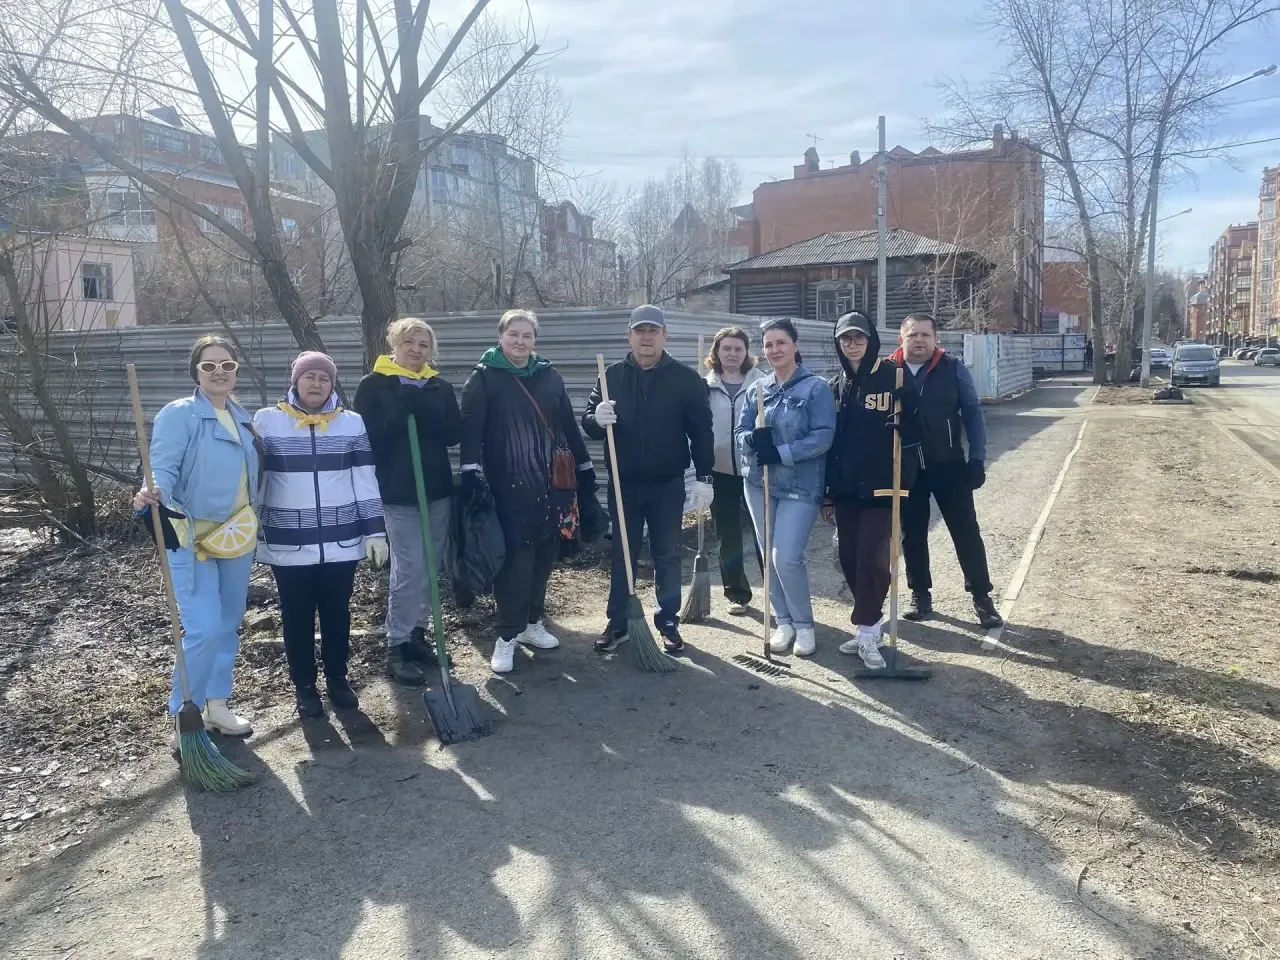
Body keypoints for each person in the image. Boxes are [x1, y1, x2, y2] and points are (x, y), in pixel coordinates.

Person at [133, 335, 260, 737]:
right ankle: (184, 715)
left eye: (227, 364)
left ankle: (218, 706)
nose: (219, 371)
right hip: (191, 540)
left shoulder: (243, 418)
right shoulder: (180, 414)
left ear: (236, 370)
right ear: (196, 372)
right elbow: (162, 467)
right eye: (209, 365)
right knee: (203, 628)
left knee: (227, 624)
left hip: (237, 537)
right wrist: (152, 491)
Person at [461, 309, 596, 674]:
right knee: (516, 564)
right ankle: (506, 636)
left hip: (555, 485)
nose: (520, 341)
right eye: (514, 334)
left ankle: (532, 624)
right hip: (510, 486)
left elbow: (567, 424)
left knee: (545, 556)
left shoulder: (549, 375)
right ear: (501, 336)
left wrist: (584, 466)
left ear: (535, 340)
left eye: (527, 335)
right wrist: (469, 470)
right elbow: (472, 429)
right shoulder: (484, 377)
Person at [254, 352, 389, 717]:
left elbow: (365, 479)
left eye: (324, 378)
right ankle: (304, 687)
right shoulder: (267, 421)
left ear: (332, 384)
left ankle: (337, 678)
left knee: (336, 613)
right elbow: (255, 481)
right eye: (309, 377)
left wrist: (374, 531)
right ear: (295, 380)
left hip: (340, 539)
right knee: (295, 616)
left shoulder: (351, 423)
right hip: (287, 541)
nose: (316, 384)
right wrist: (250, 529)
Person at [583, 304, 715, 654]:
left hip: (667, 484)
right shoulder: (610, 376)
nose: (646, 337)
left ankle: (667, 620)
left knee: (666, 554)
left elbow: (702, 431)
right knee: (622, 554)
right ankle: (619, 622)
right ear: (629, 336)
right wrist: (596, 418)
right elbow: (589, 424)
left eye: (653, 331)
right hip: (623, 483)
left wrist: (704, 476)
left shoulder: (685, 379)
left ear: (664, 336)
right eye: (640, 331)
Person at [354, 318, 461, 687]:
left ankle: (418, 634)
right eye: (409, 343)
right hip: (398, 491)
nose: (416, 350)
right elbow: (364, 438)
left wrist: (425, 408)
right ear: (394, 345)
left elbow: (453, 434)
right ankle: (396, 644)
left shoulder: (439, 387)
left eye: (423, 345)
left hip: (436, 490)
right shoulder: (374, 384)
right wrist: (397, 415)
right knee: (410, 567)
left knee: (431, 567)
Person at [823, 312, 923, 669]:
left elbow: (918, 435)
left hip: (885, 485)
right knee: (848, 557)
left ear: (871, 339)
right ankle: (872, 625)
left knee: (871, 557)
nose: (853, 345)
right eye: (845, 339)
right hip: (847, 487)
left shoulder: (894, 376)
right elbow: (830, 442)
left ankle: (866, 632)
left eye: (859, 337)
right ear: (838, 344)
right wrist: (828, 492)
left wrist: (911, 415)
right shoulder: (836, 385)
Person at [891, 313, 1004, 629]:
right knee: (913, 533)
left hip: (949, 465)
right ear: (901, 339)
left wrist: (977, 459)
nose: (919, 340)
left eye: (926, 335)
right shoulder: (888, 371)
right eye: (913, 334)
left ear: (936, 339)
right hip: (907, 468)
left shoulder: (953, 368)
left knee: (966, 532)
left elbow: (973, 414)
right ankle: (920, 595)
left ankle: (982, 598)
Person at [735, 318, 836, 657]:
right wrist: (753, 440)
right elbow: (740, 432)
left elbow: (823, 436)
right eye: (768, 344)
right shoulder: (757, 388)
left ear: (795, 345)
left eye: (781, 342)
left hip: (800, 484)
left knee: (786, 557)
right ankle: (784, 622)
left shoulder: (816, 388)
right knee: (768, 556)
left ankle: (804, 625)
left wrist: (780, 452)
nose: (775, 350)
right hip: (758, 483)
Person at [703, 326, 766, 615]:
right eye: (726, 348)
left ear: (746, 353)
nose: (732, 353)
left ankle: (775, 591)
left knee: (764, 532)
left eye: (738, 348)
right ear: (716, 352)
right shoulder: (705, 386)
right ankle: (737, 594)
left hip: (756, 470)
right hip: (719, 471)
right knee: (727, 535)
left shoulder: (762, 383)